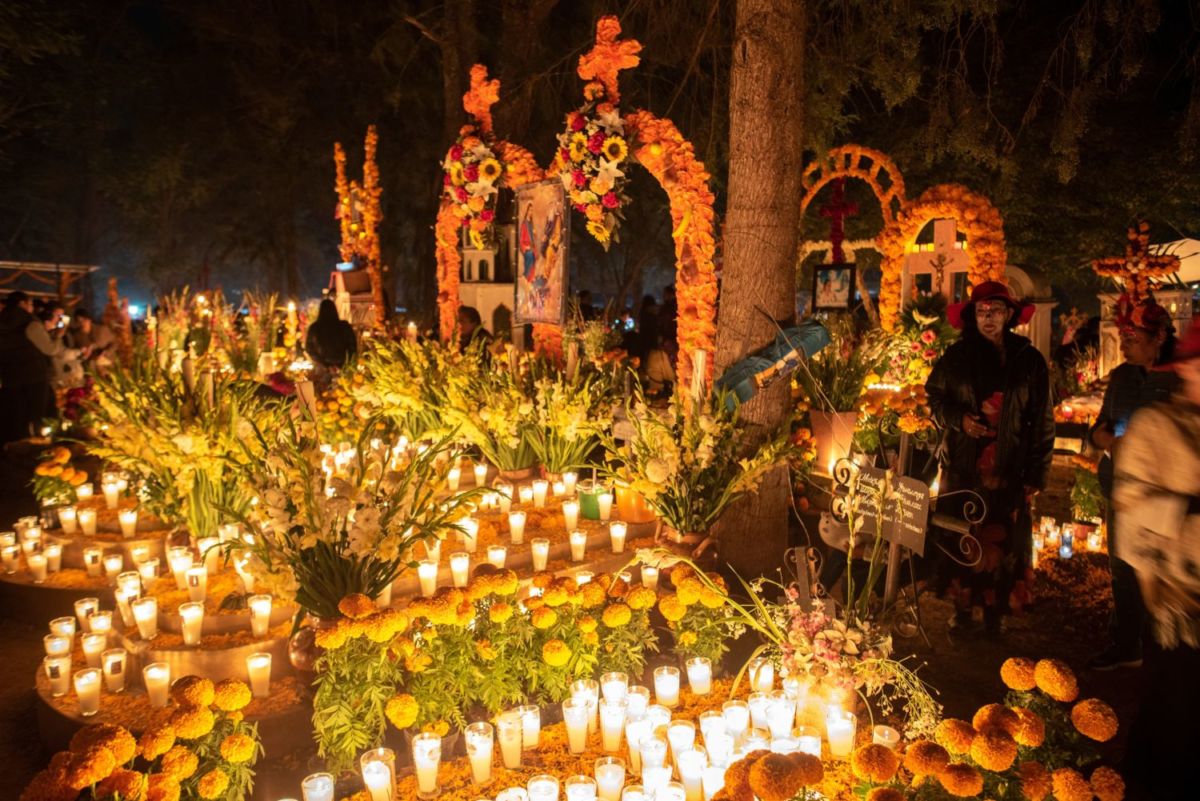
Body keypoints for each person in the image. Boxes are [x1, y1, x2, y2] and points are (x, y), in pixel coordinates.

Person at [925, 281, 1055, 636]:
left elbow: (1043, 418)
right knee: (964, 538)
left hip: (1008, 467)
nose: (988, 318)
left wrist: (1037, 472)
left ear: (1010, 315)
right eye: (982, 312)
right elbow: (934, 398)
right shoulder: (956, 357)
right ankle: (962, 612)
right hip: (964, 466)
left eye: (996, 311)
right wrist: (960, 420)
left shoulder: (1029, 360)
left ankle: (996, 613)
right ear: (973, 316)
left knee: (1003, 540)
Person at [1113, 320, 1200, 801]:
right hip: (1181, 607)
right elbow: (1132, 524)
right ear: (1187, 367)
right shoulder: (1156, 428)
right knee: (1177, 719)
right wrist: (1186, 510)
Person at [1086, 297, 1178, 670]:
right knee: (1122, 567)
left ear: (1158, 337)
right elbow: (1099, 428)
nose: (1124, 345)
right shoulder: (1123, 377)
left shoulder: (1179, 381)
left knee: (1157, 572)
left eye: (1132, 338)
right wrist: (1106, 441)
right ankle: (1126, 643)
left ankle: (1163, 646)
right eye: (1122, 338)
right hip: (1122, 489)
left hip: (1161, 492)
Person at [0, 291, 62, 442]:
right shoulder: (30, 323)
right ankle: (35, 450)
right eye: (30, 304)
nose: (32, 308)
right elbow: (50, 349)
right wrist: (58, 336)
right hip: (34, 377)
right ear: (22, 304)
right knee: (36, 416)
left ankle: (13, 451)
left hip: (10, 377)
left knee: (16, 416)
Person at [304, 299, 357, 369]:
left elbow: (309, 348)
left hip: (324, 369)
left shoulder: (314, 328)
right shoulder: (344, 327)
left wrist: (324, 364)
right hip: (343, 367)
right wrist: (347, 362)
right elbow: (352, 346)